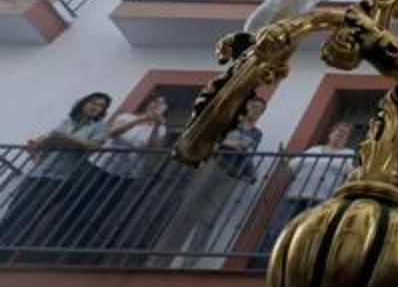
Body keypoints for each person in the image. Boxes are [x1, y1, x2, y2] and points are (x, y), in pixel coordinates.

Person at [151, 95, 266, 268]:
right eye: (253, 106)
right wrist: (228, 143)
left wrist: (245, 164)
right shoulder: (228, 124)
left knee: (209, 218)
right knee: (187, 210)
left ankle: (189, 262)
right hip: (212, 165)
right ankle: (159, 259)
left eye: (259, 109)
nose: (255, 110)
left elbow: (247, 151)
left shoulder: (257, 133)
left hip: (232, 174)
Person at [0, 92, 111, 259]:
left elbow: (93, 146)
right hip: (39, 172)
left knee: (32, 212)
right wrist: (47, 147)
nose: (95, 107)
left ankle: (6, 252)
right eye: (92, 102)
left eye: (100, 106)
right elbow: (47, 142)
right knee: (16, 208)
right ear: (83, 103)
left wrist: (64, 139)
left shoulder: (99, 127)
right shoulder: (67, 121)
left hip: (63, 177)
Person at [76, 94, 169, 256]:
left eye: (162, 104)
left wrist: (154, 125)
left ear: (166, 109)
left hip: (125, 175)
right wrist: (140, 120)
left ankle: (81, 244)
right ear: (148, 103)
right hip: (99, 165)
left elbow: (150, 147)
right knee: (81, 201)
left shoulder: (161, 129)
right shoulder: (126, 117)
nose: (156, 105)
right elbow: (113, 133)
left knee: (101, 209)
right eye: (154, 102)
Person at [253, 122, 356, 262]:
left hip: (321, 202)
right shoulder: (314, 150)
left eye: (344, 133)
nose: (340, 134)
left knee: (308, 234)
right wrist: (282, 156)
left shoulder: (348, 154)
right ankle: (264, 263)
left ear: (347, 138)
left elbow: (352, 174)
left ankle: (294, 264)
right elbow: (292, 166)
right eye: (338, 130)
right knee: (279, 230)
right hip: (296, 196)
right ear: (330, 134)